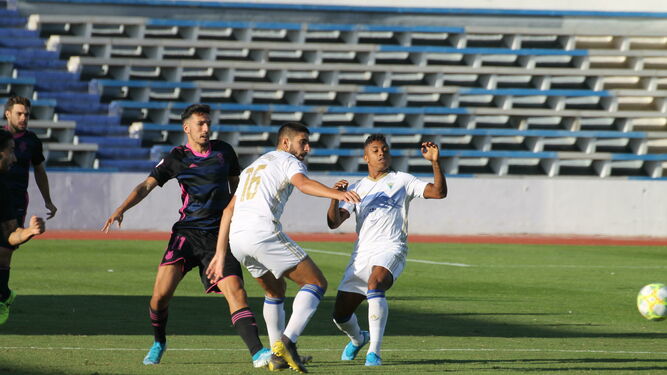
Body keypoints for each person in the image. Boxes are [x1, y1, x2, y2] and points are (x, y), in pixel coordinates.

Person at [102, 104, 272, 368]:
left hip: (218, 235)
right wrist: (122, 208)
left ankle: (259, 353)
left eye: (208, 123)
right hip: (187, 235)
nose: (206, 128)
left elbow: (238, 188)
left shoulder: (224, 151)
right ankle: (159, 342)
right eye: (200, 124)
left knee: (236, 291)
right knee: (159, 297)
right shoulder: (176, 157)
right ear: (187, 128)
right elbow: (147, 185)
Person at [207, 122, 361, 373]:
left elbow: (228, 210)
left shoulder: (253, 166)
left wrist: (220, 253)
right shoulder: (289, 161)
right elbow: (303, 184)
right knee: (316, 283)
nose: (308, 148)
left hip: (237, 239)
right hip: (262, 232)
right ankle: (286, 344)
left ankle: (277, 355)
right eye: (303, 142)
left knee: (275, 290)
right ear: (286, 143)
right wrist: (337, 195)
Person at [326, 134, 447, 366]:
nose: (381, 153)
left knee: (376, 283)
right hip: (362, 254)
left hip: (392, 248)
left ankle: (375, 352)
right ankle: (358, 338)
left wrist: (435, 162)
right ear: (365, 157)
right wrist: (335, 197)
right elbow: (334, 223)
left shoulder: (402, 180)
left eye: (385, 149)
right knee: (340, 315)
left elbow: (438, 192)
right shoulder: (357, 187)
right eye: (375, 150)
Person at [0, 129, 45, 325]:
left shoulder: (2, 190)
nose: (15, 158)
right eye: (11, 151)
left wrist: (29, 231)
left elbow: (10, 234)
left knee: (4, 252)